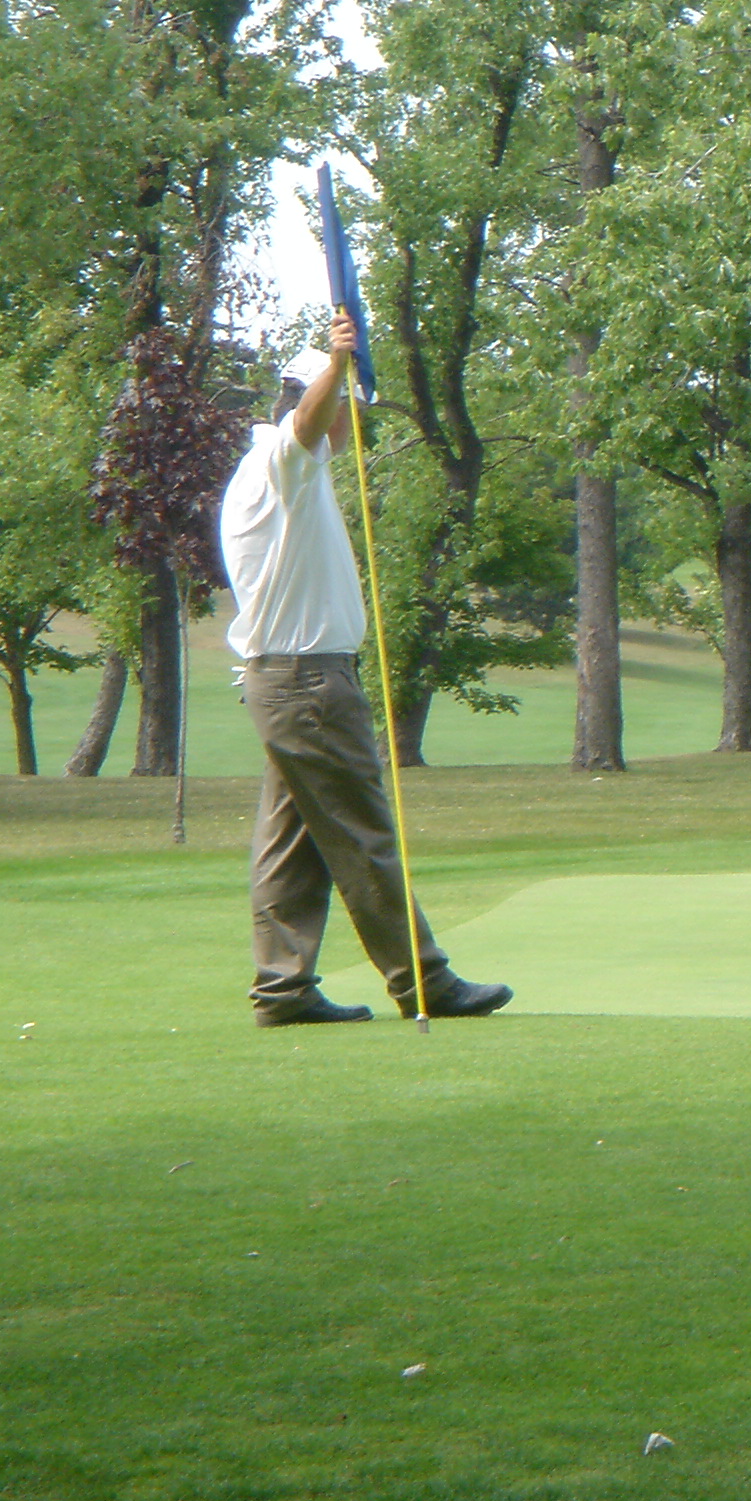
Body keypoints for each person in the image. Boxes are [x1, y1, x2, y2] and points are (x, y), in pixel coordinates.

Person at [217, 313, 511, 1027]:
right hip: (309, 684)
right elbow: (305, 427)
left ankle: (282, 990)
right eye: (353, 412)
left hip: (290, 681)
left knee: (291, 845)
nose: (355, 429)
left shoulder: (279, 473)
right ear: (322, 400)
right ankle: (423, 981)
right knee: (363, 833)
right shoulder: (281, 463)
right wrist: (339, 366)